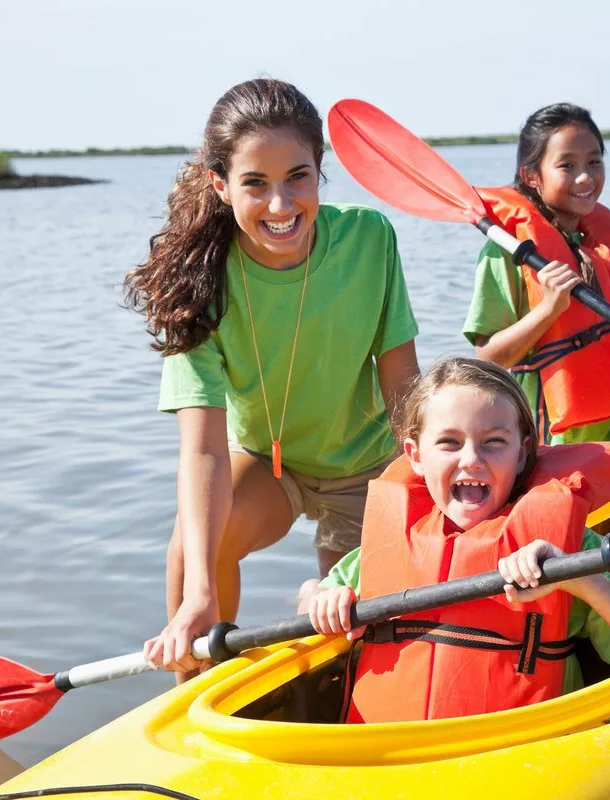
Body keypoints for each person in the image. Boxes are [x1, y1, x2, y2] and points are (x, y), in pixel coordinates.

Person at [126, 79, 420, 677]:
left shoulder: (369, 238)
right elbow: (204, 450)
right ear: (220, 184)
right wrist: (199, 596)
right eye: (255, 184)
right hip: (268, 462)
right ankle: (192, 691)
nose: (281, 205)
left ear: (320, 172)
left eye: (298, 177)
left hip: (368, 465)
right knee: (193, 551)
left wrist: (418, 492)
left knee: (349, 636)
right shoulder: (197, 282)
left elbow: (404, 390)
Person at [299, 357, 610, 723]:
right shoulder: (382, 549)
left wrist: (579, 579)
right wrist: (320, 596)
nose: (471, 459)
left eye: (494, 442)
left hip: (514, 752)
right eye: (449, 442)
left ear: (522, 455)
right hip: (387, 754)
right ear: (415, 456)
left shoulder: (565, 548)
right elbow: (310, 601)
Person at [462, 103, 610, 444]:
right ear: (532, 176)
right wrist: (549, 309)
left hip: (605, 432)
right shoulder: (507, 250)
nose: (585, 177)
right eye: (567, 165)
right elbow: (488, 356)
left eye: (594, 161)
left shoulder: (599, 244)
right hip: (541, 438)